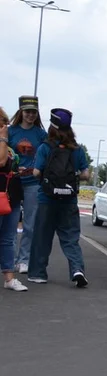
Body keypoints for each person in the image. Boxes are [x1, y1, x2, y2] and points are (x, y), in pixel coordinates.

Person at [27, 108, 90, 288]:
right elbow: (85, 174)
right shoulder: (76, 150)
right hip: (69, 200)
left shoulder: (45, 147)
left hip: (47, 199)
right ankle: (77, 269)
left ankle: (38, 273)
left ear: (52, 126)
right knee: (71, 238)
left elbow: (37, 172)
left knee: (42, 237)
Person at [6, 95, 47, 273]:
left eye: (33, 112)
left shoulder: (41, 134)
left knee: (30, 224)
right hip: (13, 182)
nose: (30, 115)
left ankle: (23, 260)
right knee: (10, 223)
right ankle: (9, 259)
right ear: (21, 112)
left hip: (33, 183)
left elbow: (47, 154)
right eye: (27, 112)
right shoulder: (10, 131)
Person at [0, 106, 28, 291]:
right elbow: (1, 161)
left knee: (9, 238)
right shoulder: (3, 142)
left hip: (11, 196)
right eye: (2, 123)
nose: (5, 126)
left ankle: (9, 278)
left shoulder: (7, 146)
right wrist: (2, 138)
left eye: (5, 122)